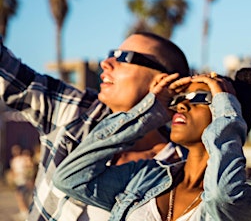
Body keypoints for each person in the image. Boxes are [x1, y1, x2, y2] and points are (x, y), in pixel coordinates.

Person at [0, 31, 190, 220]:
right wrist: (146, 114)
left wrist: (150, 111)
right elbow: (6, 72)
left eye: (124, 57)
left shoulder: (177, 169)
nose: (105, 63)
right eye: (110, 55)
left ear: (163, 81)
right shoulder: (75, 110)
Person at [52, 67, 251, 221]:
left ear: (228, 110)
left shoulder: (249, 197)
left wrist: (227, 110)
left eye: (198, 98)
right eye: (179, 99)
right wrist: (149, 112)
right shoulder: (146, 175)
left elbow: (221, 196)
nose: (181, 106)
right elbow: (69, 179)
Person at [9, 145, 35, 220]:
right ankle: (24, 211)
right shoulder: (13, 160)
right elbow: (13, 170)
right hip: (17, 180)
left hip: (23, 180)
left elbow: (29, 168)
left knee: (20, 196)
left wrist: (29, 178)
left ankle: (25, 212)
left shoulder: (23, 159)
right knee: (21, 196)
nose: (15, 152)